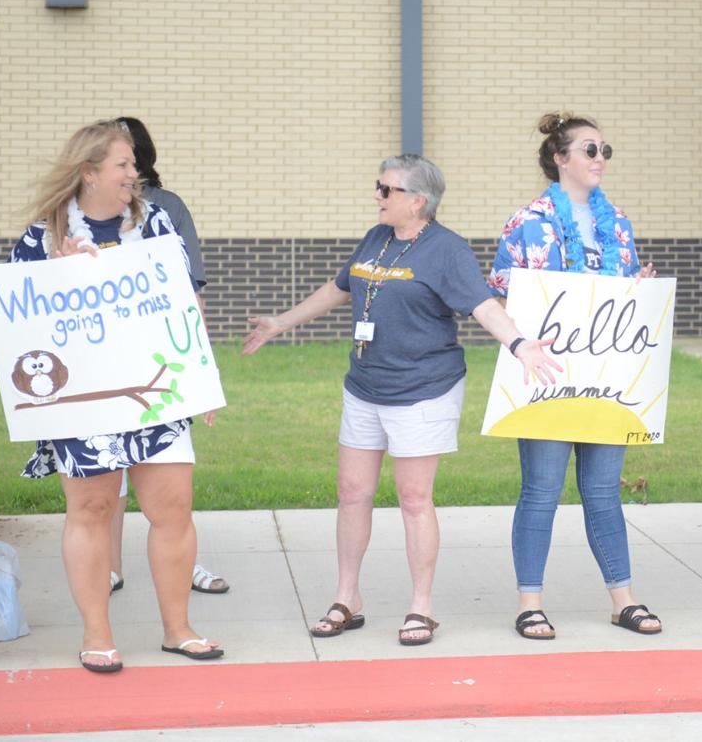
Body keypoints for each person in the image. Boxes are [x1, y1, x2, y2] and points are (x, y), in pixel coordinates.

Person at [242, 154, 560, 646]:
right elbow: (339, 287)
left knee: (414, 499)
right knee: (352, 494)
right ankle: (348, 598)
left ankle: (421, 607)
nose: (377, 196)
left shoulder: (447, 250)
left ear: (418, 200)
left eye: (386, 190)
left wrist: (519, 345)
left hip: (423, 389)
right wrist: (281, 322)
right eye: (378, 187)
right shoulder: (378, 239)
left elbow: (481, 305)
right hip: (365, 385)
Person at [11, 121, 222, 672]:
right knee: (91, 508)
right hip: (83, 400)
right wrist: (58, 276)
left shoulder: (156, 225)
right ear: (90, 173)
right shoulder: (42, 238)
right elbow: (18, 330)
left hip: (156, 389)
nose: (135, 174)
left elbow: (185, 304)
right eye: (124, 166)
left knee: (173, 508)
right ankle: (96, 632)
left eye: (133, 166)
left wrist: (201, 379)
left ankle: (179, 628)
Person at [488, 112, 662, 641]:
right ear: (560, 158)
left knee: (604, 490)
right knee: (541, 490)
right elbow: (495, 296)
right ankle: (530, 604)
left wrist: (638, 289)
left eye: (606, 150)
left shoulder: (620, 222)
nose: (600, 159)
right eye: (590, 150)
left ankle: (622, 600)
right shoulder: (527, 222)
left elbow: (619, 293)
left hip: (608, 378)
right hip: (549, 376)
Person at [105, 116, 228, 597]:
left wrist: (202, 369)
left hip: (158, 358)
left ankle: (184, 565)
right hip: (101, 360)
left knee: (171, 476)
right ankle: (109, 568)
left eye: (127, 158)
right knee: (104, 471)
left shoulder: (166, 208)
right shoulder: (72, 215)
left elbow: (190, 288)